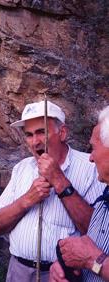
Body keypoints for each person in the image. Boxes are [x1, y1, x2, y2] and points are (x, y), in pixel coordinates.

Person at [0, 100, 105, 282]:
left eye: (41, 132)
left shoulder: (91, 167)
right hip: (18, 271)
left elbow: (97, 230)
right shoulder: (21, 168)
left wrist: (59, 180)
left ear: (63, 133)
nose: (35, 142)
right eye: (29, 135)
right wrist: (26, 200)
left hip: (62, 275)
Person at [49, 105, 109, 282]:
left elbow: (93, 258)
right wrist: (65, 266)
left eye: (94, 148)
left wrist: (93, 261)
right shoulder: (105, 195)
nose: (91, 157)